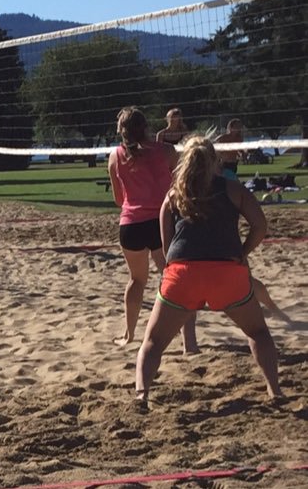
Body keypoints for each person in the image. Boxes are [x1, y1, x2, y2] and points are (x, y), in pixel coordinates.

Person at [134, 136, 284, 412]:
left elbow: (168, 249)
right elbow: (260, 226)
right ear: (215, 161)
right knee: (258, 333)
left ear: (184, 162)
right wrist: (243, 252)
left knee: (153, 343)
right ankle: (274, 391)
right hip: (228, 273)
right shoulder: (233, 189)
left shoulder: (173, 195)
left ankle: (141, 396)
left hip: (183, 273)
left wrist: (180, 270)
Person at [108, 107, 180, 347]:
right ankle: (184, 339)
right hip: (161, 222)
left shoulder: (115, 156)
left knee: (136, 281)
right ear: (146, 126)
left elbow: (119, 200)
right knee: (172, 279)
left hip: (131, 225)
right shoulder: (167, 152)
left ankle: (129, 335)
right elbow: (182, 186)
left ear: (121, 130)